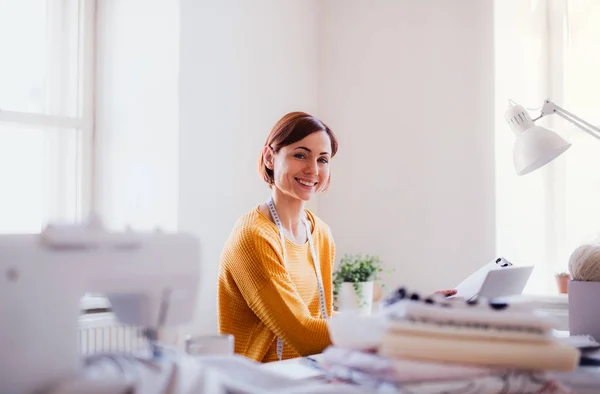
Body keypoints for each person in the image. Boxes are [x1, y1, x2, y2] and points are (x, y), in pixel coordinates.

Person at [218, 111, 338, 363]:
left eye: (323, 159)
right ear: (270, 157)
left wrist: (413, 314)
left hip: (308, 376)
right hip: (257, 383)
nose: (313, 169)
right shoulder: (253, 237)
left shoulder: (321, 235)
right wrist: (392, 325)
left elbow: (322, 322)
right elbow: (305, 336)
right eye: (300, 155)